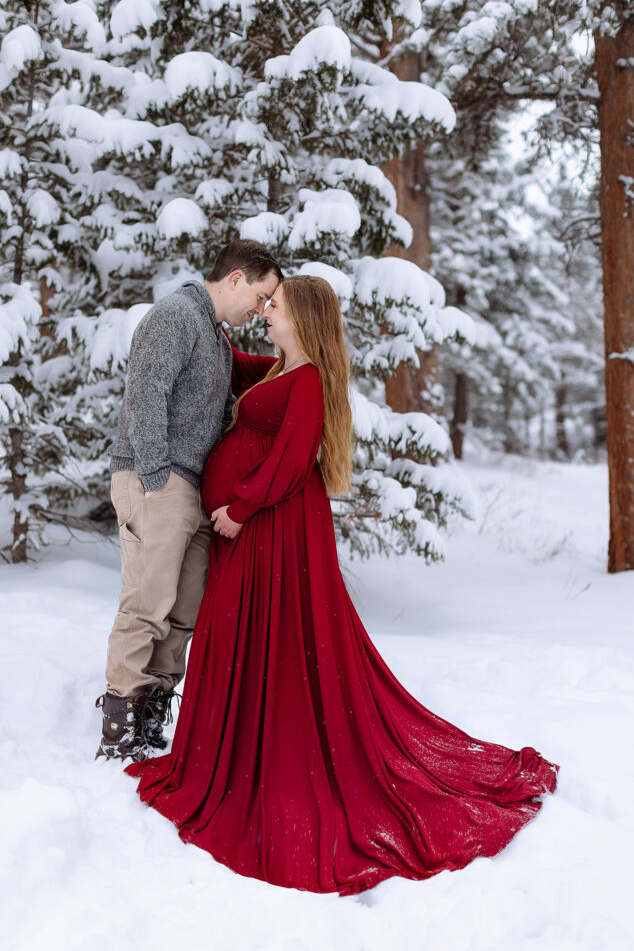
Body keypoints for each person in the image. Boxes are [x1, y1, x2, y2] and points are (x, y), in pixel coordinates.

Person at [125, 275, 558, 896]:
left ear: (302, 318)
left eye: (275, 307)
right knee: (237, 633)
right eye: (265, 303)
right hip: (261, 533)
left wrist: (240, 508)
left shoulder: (307, 380)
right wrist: (207, 321)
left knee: (265, 640)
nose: (266, 312)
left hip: (272, 531)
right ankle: (229, 752)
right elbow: (230, 362)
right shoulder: (279, 369)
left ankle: (262, 761)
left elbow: (293, 458)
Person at [96, 240, 282, 762]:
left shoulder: (216, 336)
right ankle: (120, 718)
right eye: (263, 296)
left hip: (194, 489)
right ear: (238, 278)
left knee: (183, 609)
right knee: (148, 601)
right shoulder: (176, 314)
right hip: (159, 479)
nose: (261, 310)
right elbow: (145, 393)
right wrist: (157, 479)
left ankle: (153, 704)